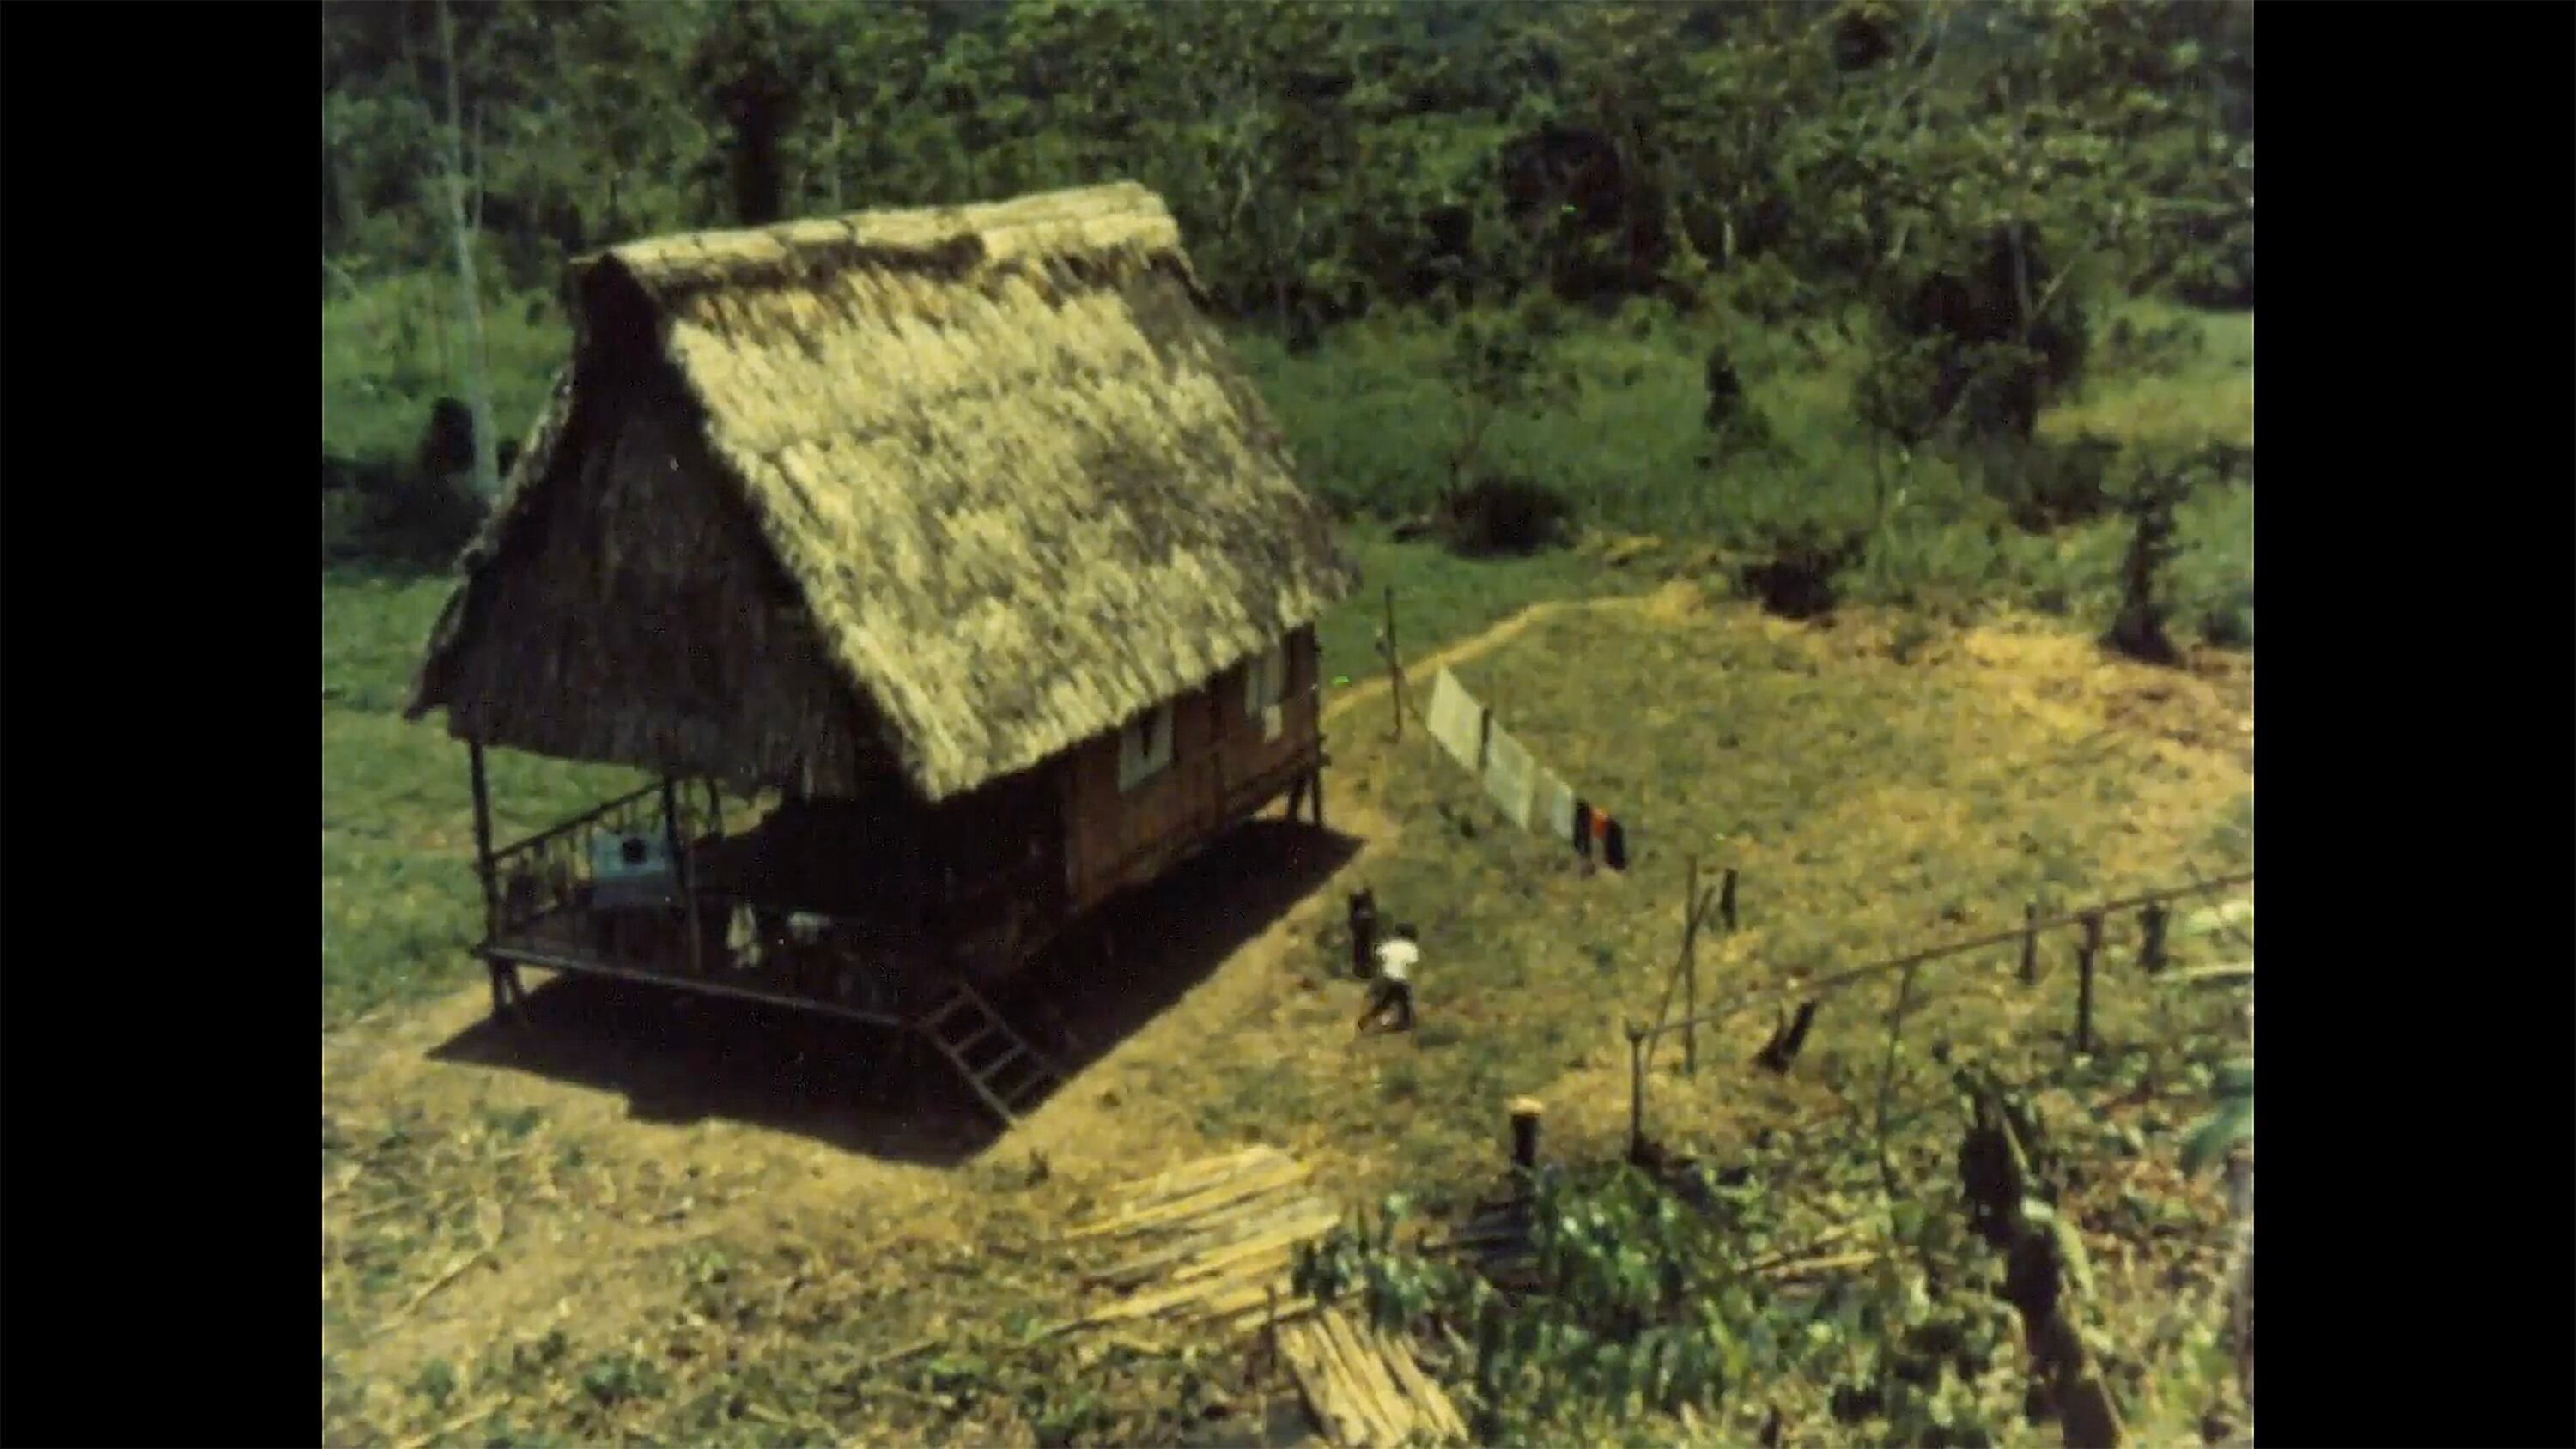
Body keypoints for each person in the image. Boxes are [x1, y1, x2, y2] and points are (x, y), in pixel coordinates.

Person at [1359, 923, 1419, 1033]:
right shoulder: (1411, 948)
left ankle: (1366, 1019)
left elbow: (1377, 953)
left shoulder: (1390, 945)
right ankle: (1406, 1025)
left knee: (1384, 1002)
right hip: (1401, 980)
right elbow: (1413, 964)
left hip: (1386, 978)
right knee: (1405, 1003)